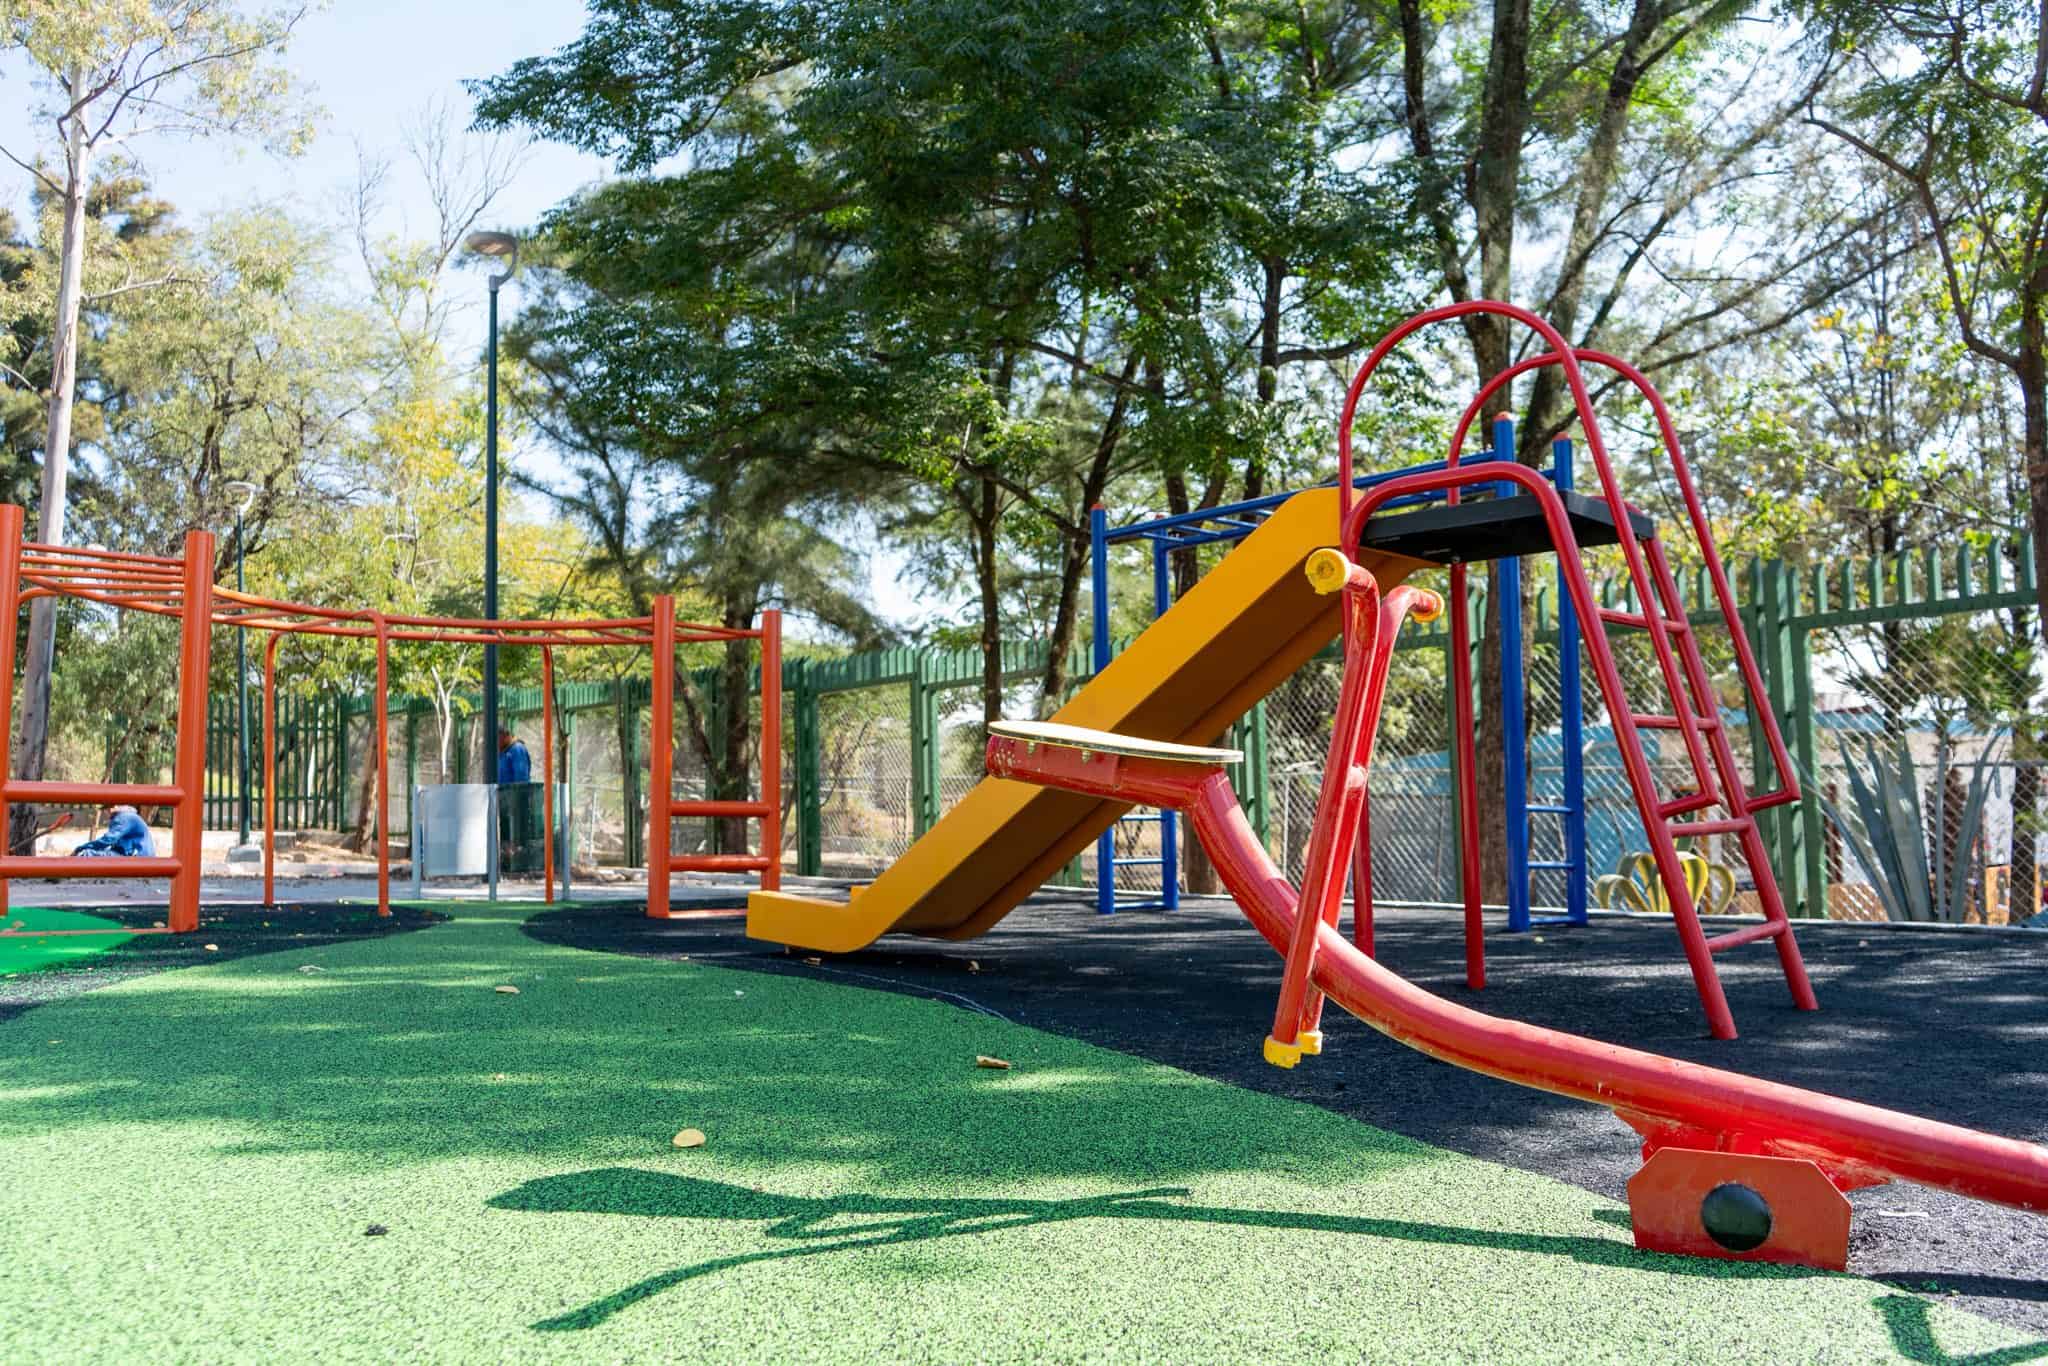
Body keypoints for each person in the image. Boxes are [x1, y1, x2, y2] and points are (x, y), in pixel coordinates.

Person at [74, 805, 157, 858]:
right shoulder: (127, 815)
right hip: (140, 854)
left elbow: (107, 840)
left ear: (111, 808)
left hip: (139, 856)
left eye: (105, 810)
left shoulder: (123, 818)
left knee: (88, 854)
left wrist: (81, 848)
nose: (105, 813)